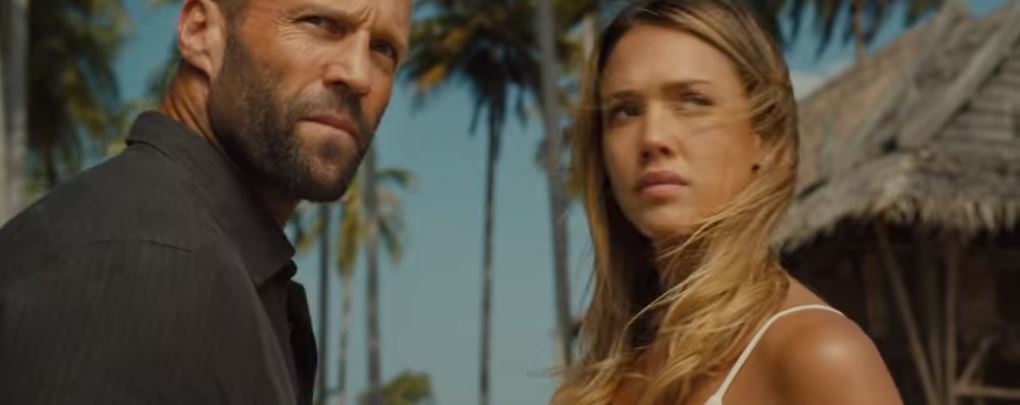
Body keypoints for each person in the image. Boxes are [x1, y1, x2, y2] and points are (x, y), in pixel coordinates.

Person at [0, 0, 410, 404]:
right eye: (319, 22)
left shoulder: (203, 263)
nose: (359, 75)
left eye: (383, 48)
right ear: (200, 31)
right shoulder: (144, 271)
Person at [551, 1, 902, 404]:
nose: (652, 137)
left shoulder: (817, 354)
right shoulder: (603, 380)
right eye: (626, 111)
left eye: (692, 101)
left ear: (766, 138)